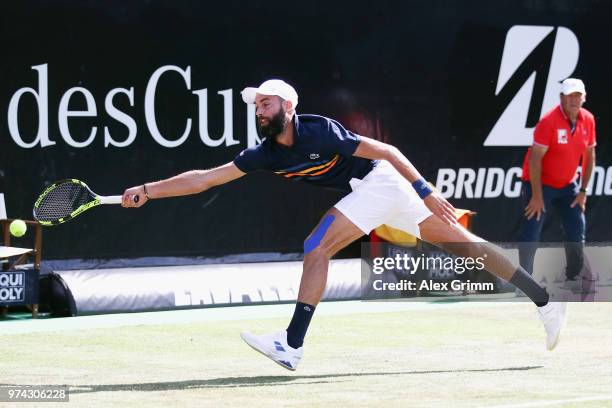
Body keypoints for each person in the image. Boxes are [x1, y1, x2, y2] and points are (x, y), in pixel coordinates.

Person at [122, 79, 566, 371]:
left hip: (383, 183)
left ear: (288, 106)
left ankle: (291, 345)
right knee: (468, 247)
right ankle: (545, 299)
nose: (259, 110)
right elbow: (204, 179)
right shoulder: (264, 153)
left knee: (317, 245)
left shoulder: (320, 132)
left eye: (266, 103)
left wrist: (425, 189)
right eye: (256, 105)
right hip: (372, 196)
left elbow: (388, 153)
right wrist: (148, 188)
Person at [519, 78, 596, 287]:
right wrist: (536, 196)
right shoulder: (548, 121)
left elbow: (590, 156)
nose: (574, 99)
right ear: (561, 98)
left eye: (578, 95)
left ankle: (573, 277)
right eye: (569, 95)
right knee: (532, 228)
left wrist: (583, 190)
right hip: (539, 183)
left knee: (576, 227)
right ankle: (524, 282)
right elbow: (535, 159)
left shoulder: (588, 119)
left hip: (568, 185)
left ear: (584, 97)